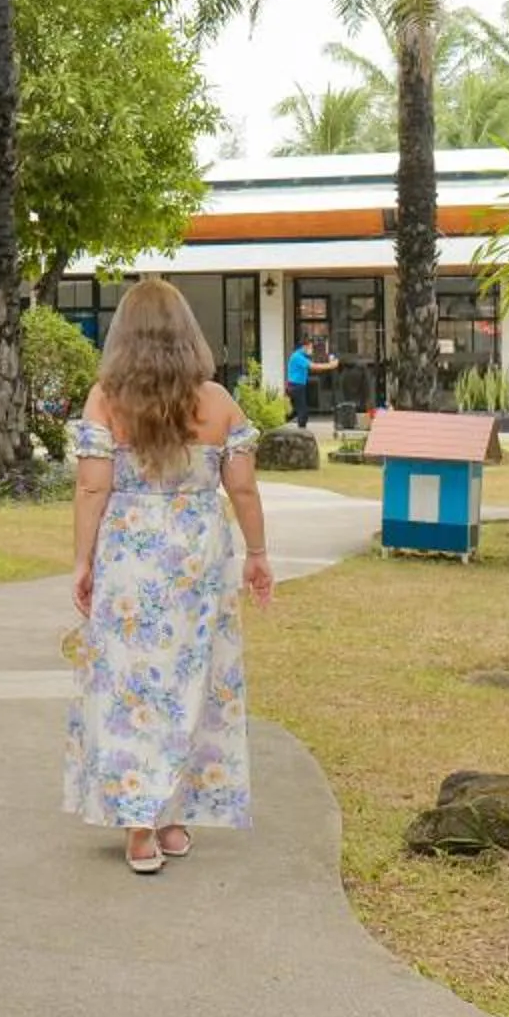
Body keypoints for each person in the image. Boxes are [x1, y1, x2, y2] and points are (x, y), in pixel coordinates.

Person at [66, 277, 276, 875]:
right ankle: (174, 819)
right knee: (191, 680)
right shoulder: (218, 402)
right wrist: (258, 553)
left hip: (130, 556)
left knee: (131, 683)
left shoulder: (107, 400)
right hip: (196, 558)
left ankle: (140, 827)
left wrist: (82, 561)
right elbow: (242, 488)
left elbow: (92, 487)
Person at [283, 332, 337, 426]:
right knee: (303, 412)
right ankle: (302, 431)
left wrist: (329, 360)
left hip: (296, 386)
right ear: (305, 346)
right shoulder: (298, 357)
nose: (312, 350)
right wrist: (331, 366)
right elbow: (313, 366)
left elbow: (315, 364)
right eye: (311, 347)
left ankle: (281, 423)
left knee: (294, 411)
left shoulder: (301, 355)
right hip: (296, 387)